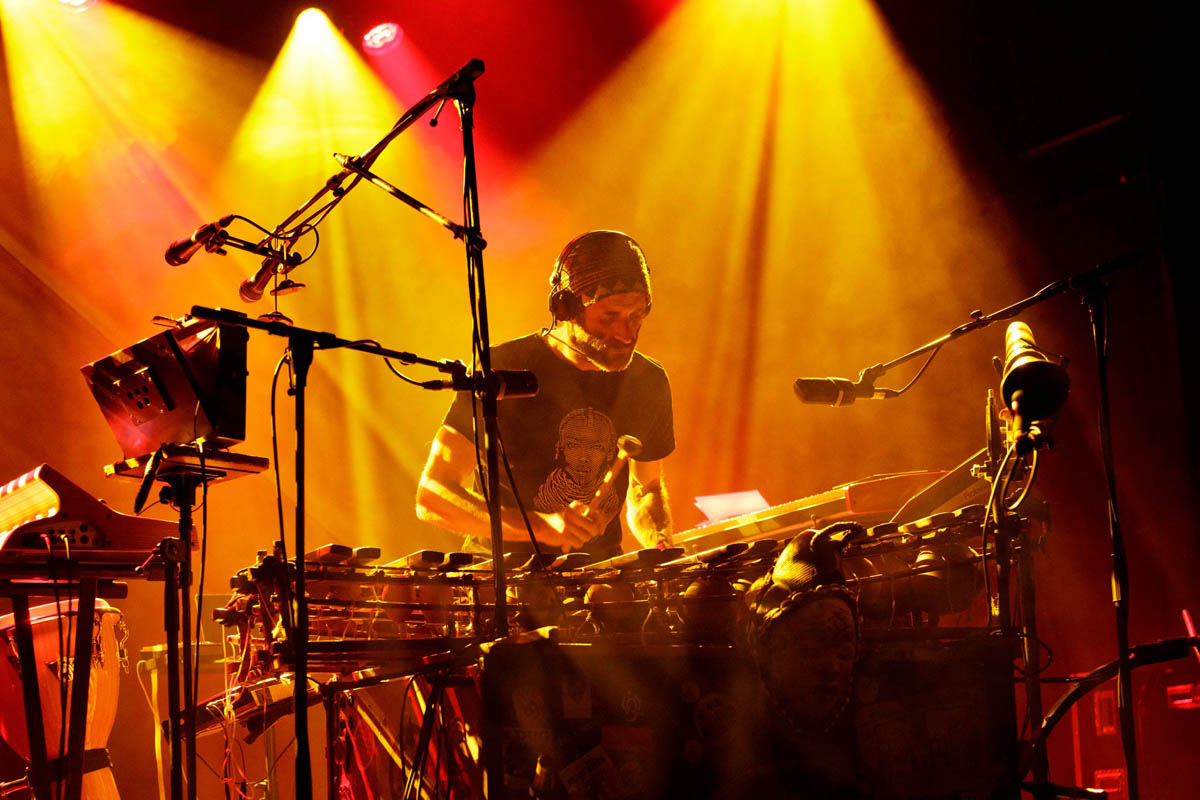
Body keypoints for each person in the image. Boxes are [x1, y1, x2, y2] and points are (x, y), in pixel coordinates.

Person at [415, 230, 674, 560]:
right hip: (504, 578)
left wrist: (659, 538)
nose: (626, 335)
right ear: (566, 308)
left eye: (636, 316)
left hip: (599, 579)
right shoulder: (502, 371)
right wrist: (538, 526)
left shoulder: (647, 380)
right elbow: (434, 495)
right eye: (610, 317)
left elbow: (645, 489)